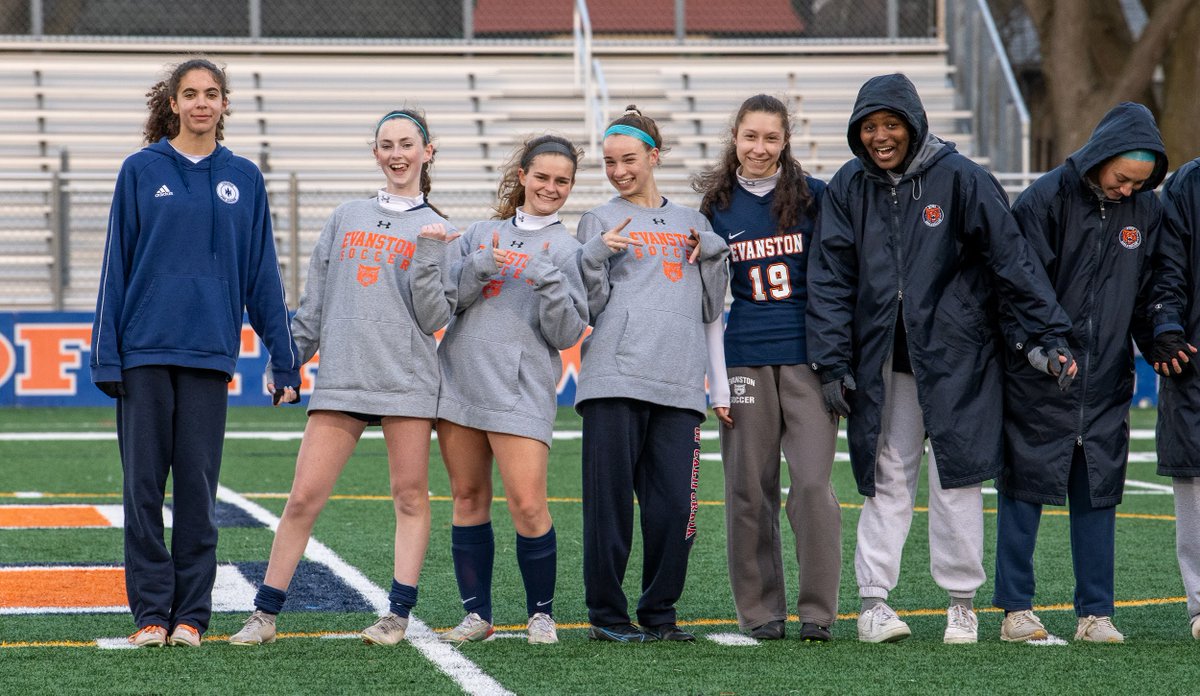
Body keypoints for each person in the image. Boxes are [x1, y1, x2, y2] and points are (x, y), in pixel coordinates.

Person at [806, 73, 1074, 645]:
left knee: (959, 478)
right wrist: (832, 363)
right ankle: (874, 602)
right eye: (870, 127)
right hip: (885, 365)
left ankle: (961, 603)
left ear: (913, 124)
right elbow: (829, 278)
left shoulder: (962, 179)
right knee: (889, 478)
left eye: (890, 125)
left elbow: (1013, 264)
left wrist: (1050, 332)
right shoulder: (848, 186)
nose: (880, 137)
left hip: (959, 360)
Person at [90, 58, 302, 648]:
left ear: (225, 104)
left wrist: (283, 358)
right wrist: (107, 356)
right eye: (190, 94)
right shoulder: (139, 171)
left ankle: (191, 616)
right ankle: (151, 616)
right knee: (142, 491)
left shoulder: (245, 178)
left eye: (212, 93)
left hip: (210, 354)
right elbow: (116, 266)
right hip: (143, 354)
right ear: (174, 103)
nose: (201, 103)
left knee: (198, 492)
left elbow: (263, 274)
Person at [228, 109, 454, 646]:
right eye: (386, 144)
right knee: (303, 499)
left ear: (428, 151)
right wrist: (289, 357)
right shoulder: (346, 215)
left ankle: (396, 616)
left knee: (410, 498)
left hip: (407, 380)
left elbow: (434, 317)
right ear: (375, 153)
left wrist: (429, 250)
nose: (397, 154)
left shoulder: (440, 229)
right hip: (344, 376)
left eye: (406, 144)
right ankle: (264, 615)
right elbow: (316, 303)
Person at [992, 102, 1177, 644]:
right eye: (1122, 179)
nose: (1127, 191)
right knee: (1023, 489)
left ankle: (1096, 613)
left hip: (1107, 382)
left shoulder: (1146, 210)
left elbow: (1152, 288)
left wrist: (1161, 333)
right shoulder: (1045, 199)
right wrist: (1041, 349)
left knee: (1099, 494)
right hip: (1040, 374)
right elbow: (1017, 286)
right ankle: (1015, 611)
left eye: (1139, 184)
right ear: (1102, 157)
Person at [576, 106, 730, 643]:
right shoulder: (598, 220)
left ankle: (660, 614)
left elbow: (712, 306)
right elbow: (587, 308)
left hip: (680, 384)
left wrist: (715, 253)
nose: (619, 170)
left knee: (676, 514)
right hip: (613, 382)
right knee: (609, 510)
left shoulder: (695, 223)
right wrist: (594, 255)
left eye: (629, 159)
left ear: (653, 156)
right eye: (610, 161)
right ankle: (607, 617)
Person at [429, 135, 589, 646]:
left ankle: (541, 614)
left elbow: (566, 334)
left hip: (521, 390)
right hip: (458, 379)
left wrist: (550, 283)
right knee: (468, 497)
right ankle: (477, 615)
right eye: (542, 177)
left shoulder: (570, 249)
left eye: (562, 180)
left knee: (528, 504)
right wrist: (482, 264)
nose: (551, 188)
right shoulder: (480, 232)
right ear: (522, 176)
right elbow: (447, 302)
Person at [691, 94, 840, 642]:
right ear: (735, 137)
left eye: (770, 138)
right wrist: (713, 379)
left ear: (785, 141)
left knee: (812, 488)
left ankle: (819, 613)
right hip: (745, 358)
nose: (759, 148)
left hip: (807, 360)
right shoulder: (715, 205)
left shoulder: (815, 197)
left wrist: (838, 362)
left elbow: (837, 283)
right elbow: (708, 301)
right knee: (748, 490)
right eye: (750, 137)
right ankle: (759, 612)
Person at [1153, 155, 1200, 640]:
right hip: (1196, 358)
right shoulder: (1189, 183)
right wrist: (1166, 324)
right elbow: (1168, 265)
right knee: (1195, 479)